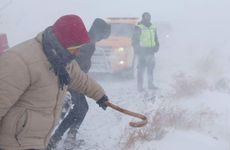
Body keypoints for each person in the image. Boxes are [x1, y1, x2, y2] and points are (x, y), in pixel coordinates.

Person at [0, 15, 110, 150]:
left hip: (37, 142)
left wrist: (100, 95)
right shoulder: (21, 61)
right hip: (13, 144)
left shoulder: (63, 59)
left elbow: (80, 78)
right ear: (64, 42)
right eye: (75, 47)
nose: (78, 53)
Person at [47, 18, 111, 149]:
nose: (102, 39)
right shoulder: (89, 43)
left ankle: (62, 137)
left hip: (71, 80)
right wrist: (78, 81)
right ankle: (58, 139)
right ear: (100, 32)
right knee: (79, 108)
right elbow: (75, 64)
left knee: (78, 109)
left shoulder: (87, 38)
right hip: (72, 81)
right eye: (104, 36)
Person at [132, 12, 160, 92]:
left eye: (149, 16)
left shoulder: (153, 27)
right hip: (142, 52)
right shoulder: (139, 27)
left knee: (150, 69)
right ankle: (140, 87)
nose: (148, 18)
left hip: (151, 51)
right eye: (146, 16)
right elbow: (134, 40)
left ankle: (150, 84)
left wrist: (157, 46)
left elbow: (156, 38)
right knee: (141, 70)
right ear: (143, 17)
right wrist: (137, 50)